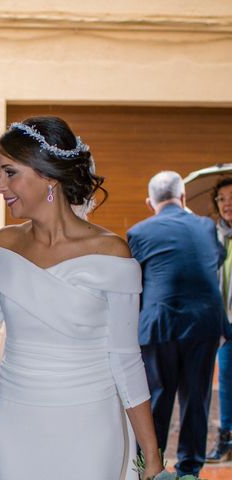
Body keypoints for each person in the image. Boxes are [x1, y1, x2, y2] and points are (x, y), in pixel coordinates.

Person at [0, 116, 163, 480]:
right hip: (14, 420)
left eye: (9, 173)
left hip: (91, 423)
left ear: (48, 176)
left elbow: (126, 359)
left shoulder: (112, 254)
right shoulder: (3, 245)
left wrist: (151, 452)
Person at [127, 171, 227, 477]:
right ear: (183, 197)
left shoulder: (138, 232)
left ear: (150, 203)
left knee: (158, 398)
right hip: (204, 324)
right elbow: (215, 259)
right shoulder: (206, 226)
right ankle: (189, 470)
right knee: (196, 400)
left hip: (159, 325)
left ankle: (150, 466)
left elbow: (135, 283)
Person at [206, 177, 232, 462]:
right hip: (225, 320)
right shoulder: (213, 236)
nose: (227, 204)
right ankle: (226, 437)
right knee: (226, 379)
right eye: (222, 199)